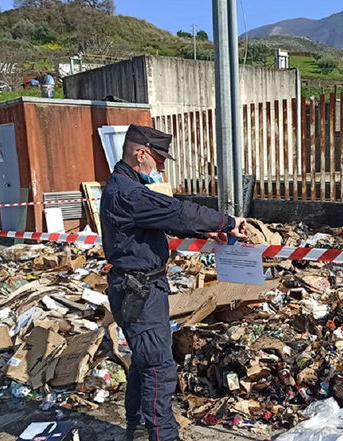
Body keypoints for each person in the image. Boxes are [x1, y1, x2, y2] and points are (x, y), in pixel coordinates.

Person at [100, 125, 247, 441]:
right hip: (139, 292)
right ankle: (162, 436)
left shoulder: (126, 186)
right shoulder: (128, 193)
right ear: (141, 153)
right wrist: (228, 222)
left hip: (138, 289)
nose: (162, 166)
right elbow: (179, 212)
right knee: (158, 368)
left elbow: (161, 222)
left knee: (143, 361)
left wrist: (203, 233)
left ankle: (138, 429)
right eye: (159, 158)